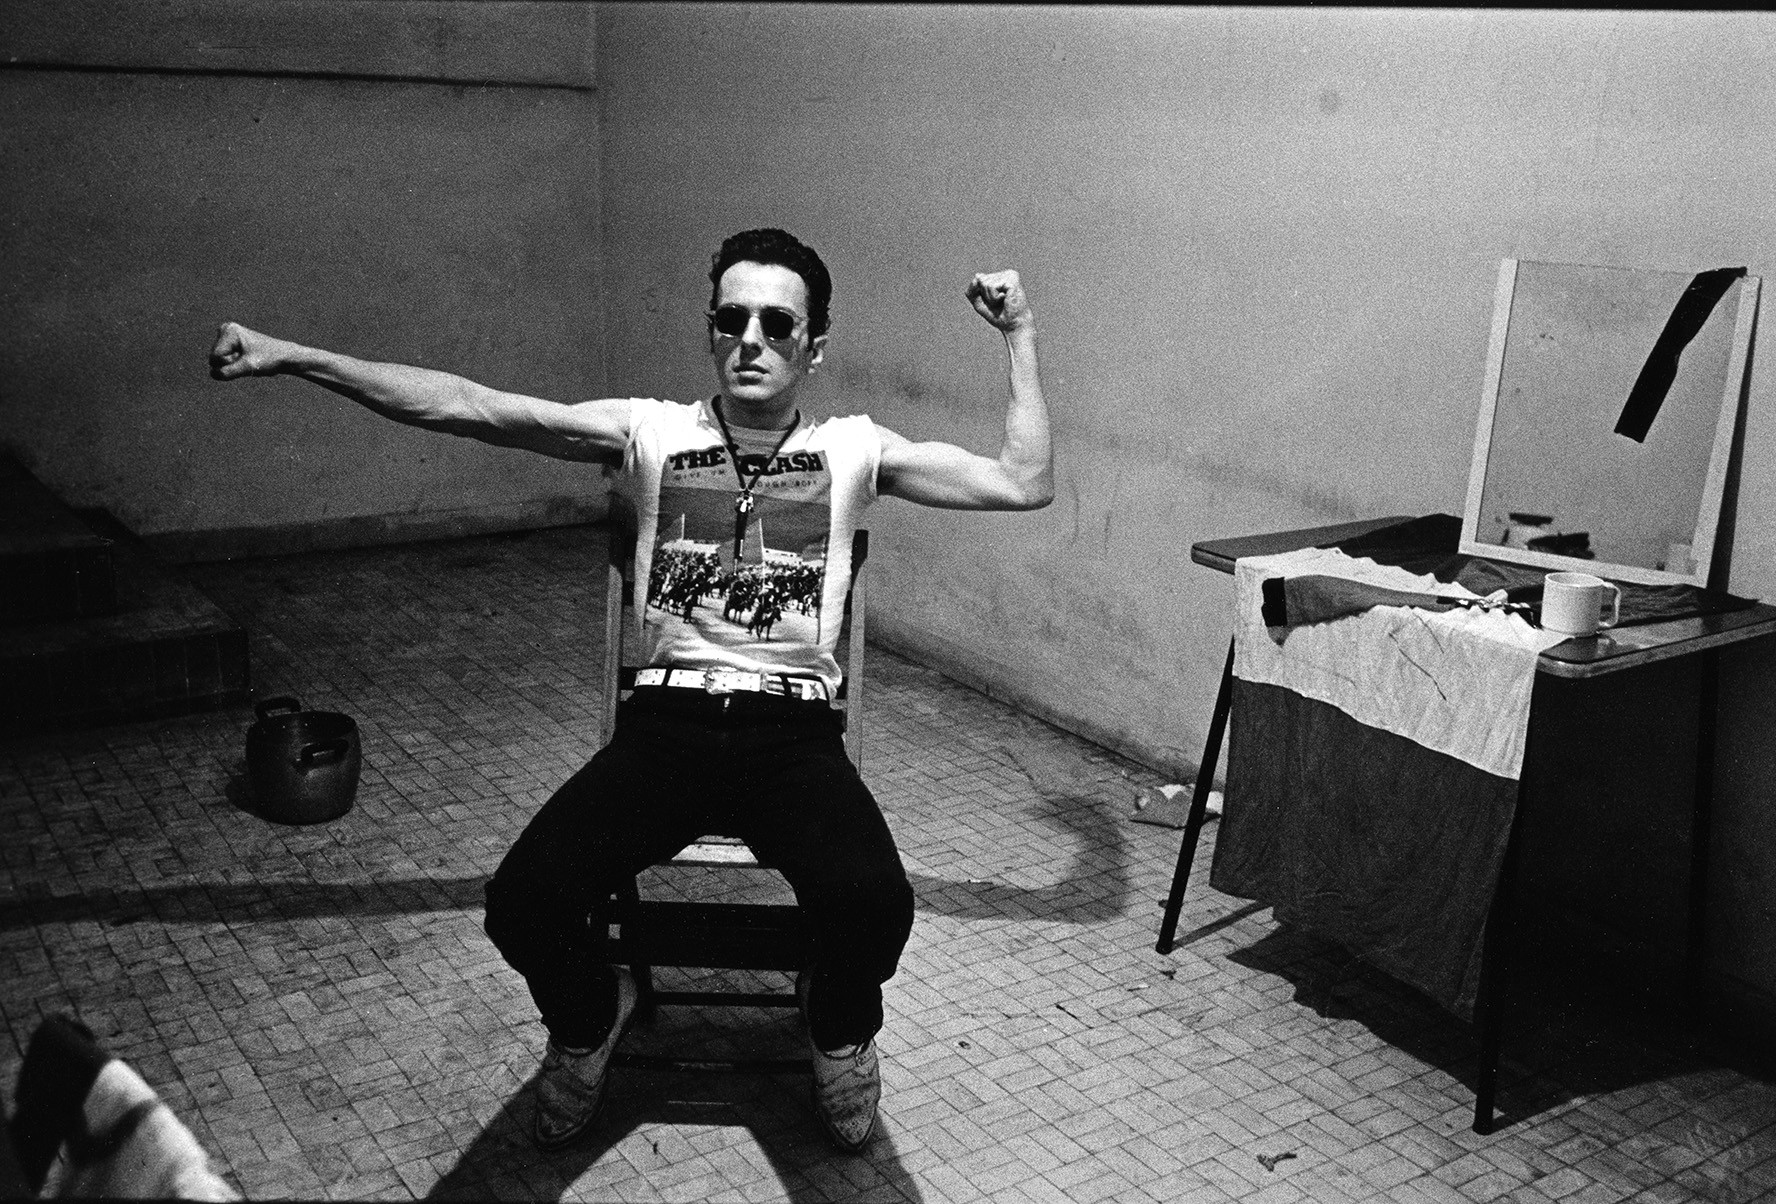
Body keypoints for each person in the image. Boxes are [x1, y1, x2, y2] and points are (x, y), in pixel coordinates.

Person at [208, 227, 1052, 1153]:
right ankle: (587, 1020)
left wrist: (1018, 334)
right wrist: (293, 357)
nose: (752, 340)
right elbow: (469, 406)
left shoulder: (854, 448)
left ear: (814, 346)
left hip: (791, 737)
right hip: (667, 730)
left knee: (877, 905)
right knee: (522, 902)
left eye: (778, 324)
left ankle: (838, 1029)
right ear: (711, 329)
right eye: (732, 319)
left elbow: (1023, 482)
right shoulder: (650, 431)